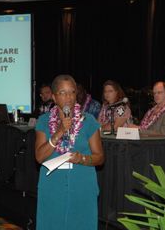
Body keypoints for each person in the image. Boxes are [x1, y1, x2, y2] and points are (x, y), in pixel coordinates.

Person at [35, 74, 104, 230]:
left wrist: (83, 159)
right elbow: (39, 157)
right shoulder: (43, 121)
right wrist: (59, 132)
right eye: (63, 93)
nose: (68, 97)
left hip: (82, 183)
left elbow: (100, 158)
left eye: (72, 92)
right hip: (52, 183)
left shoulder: (88, 121)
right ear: (53, 96)